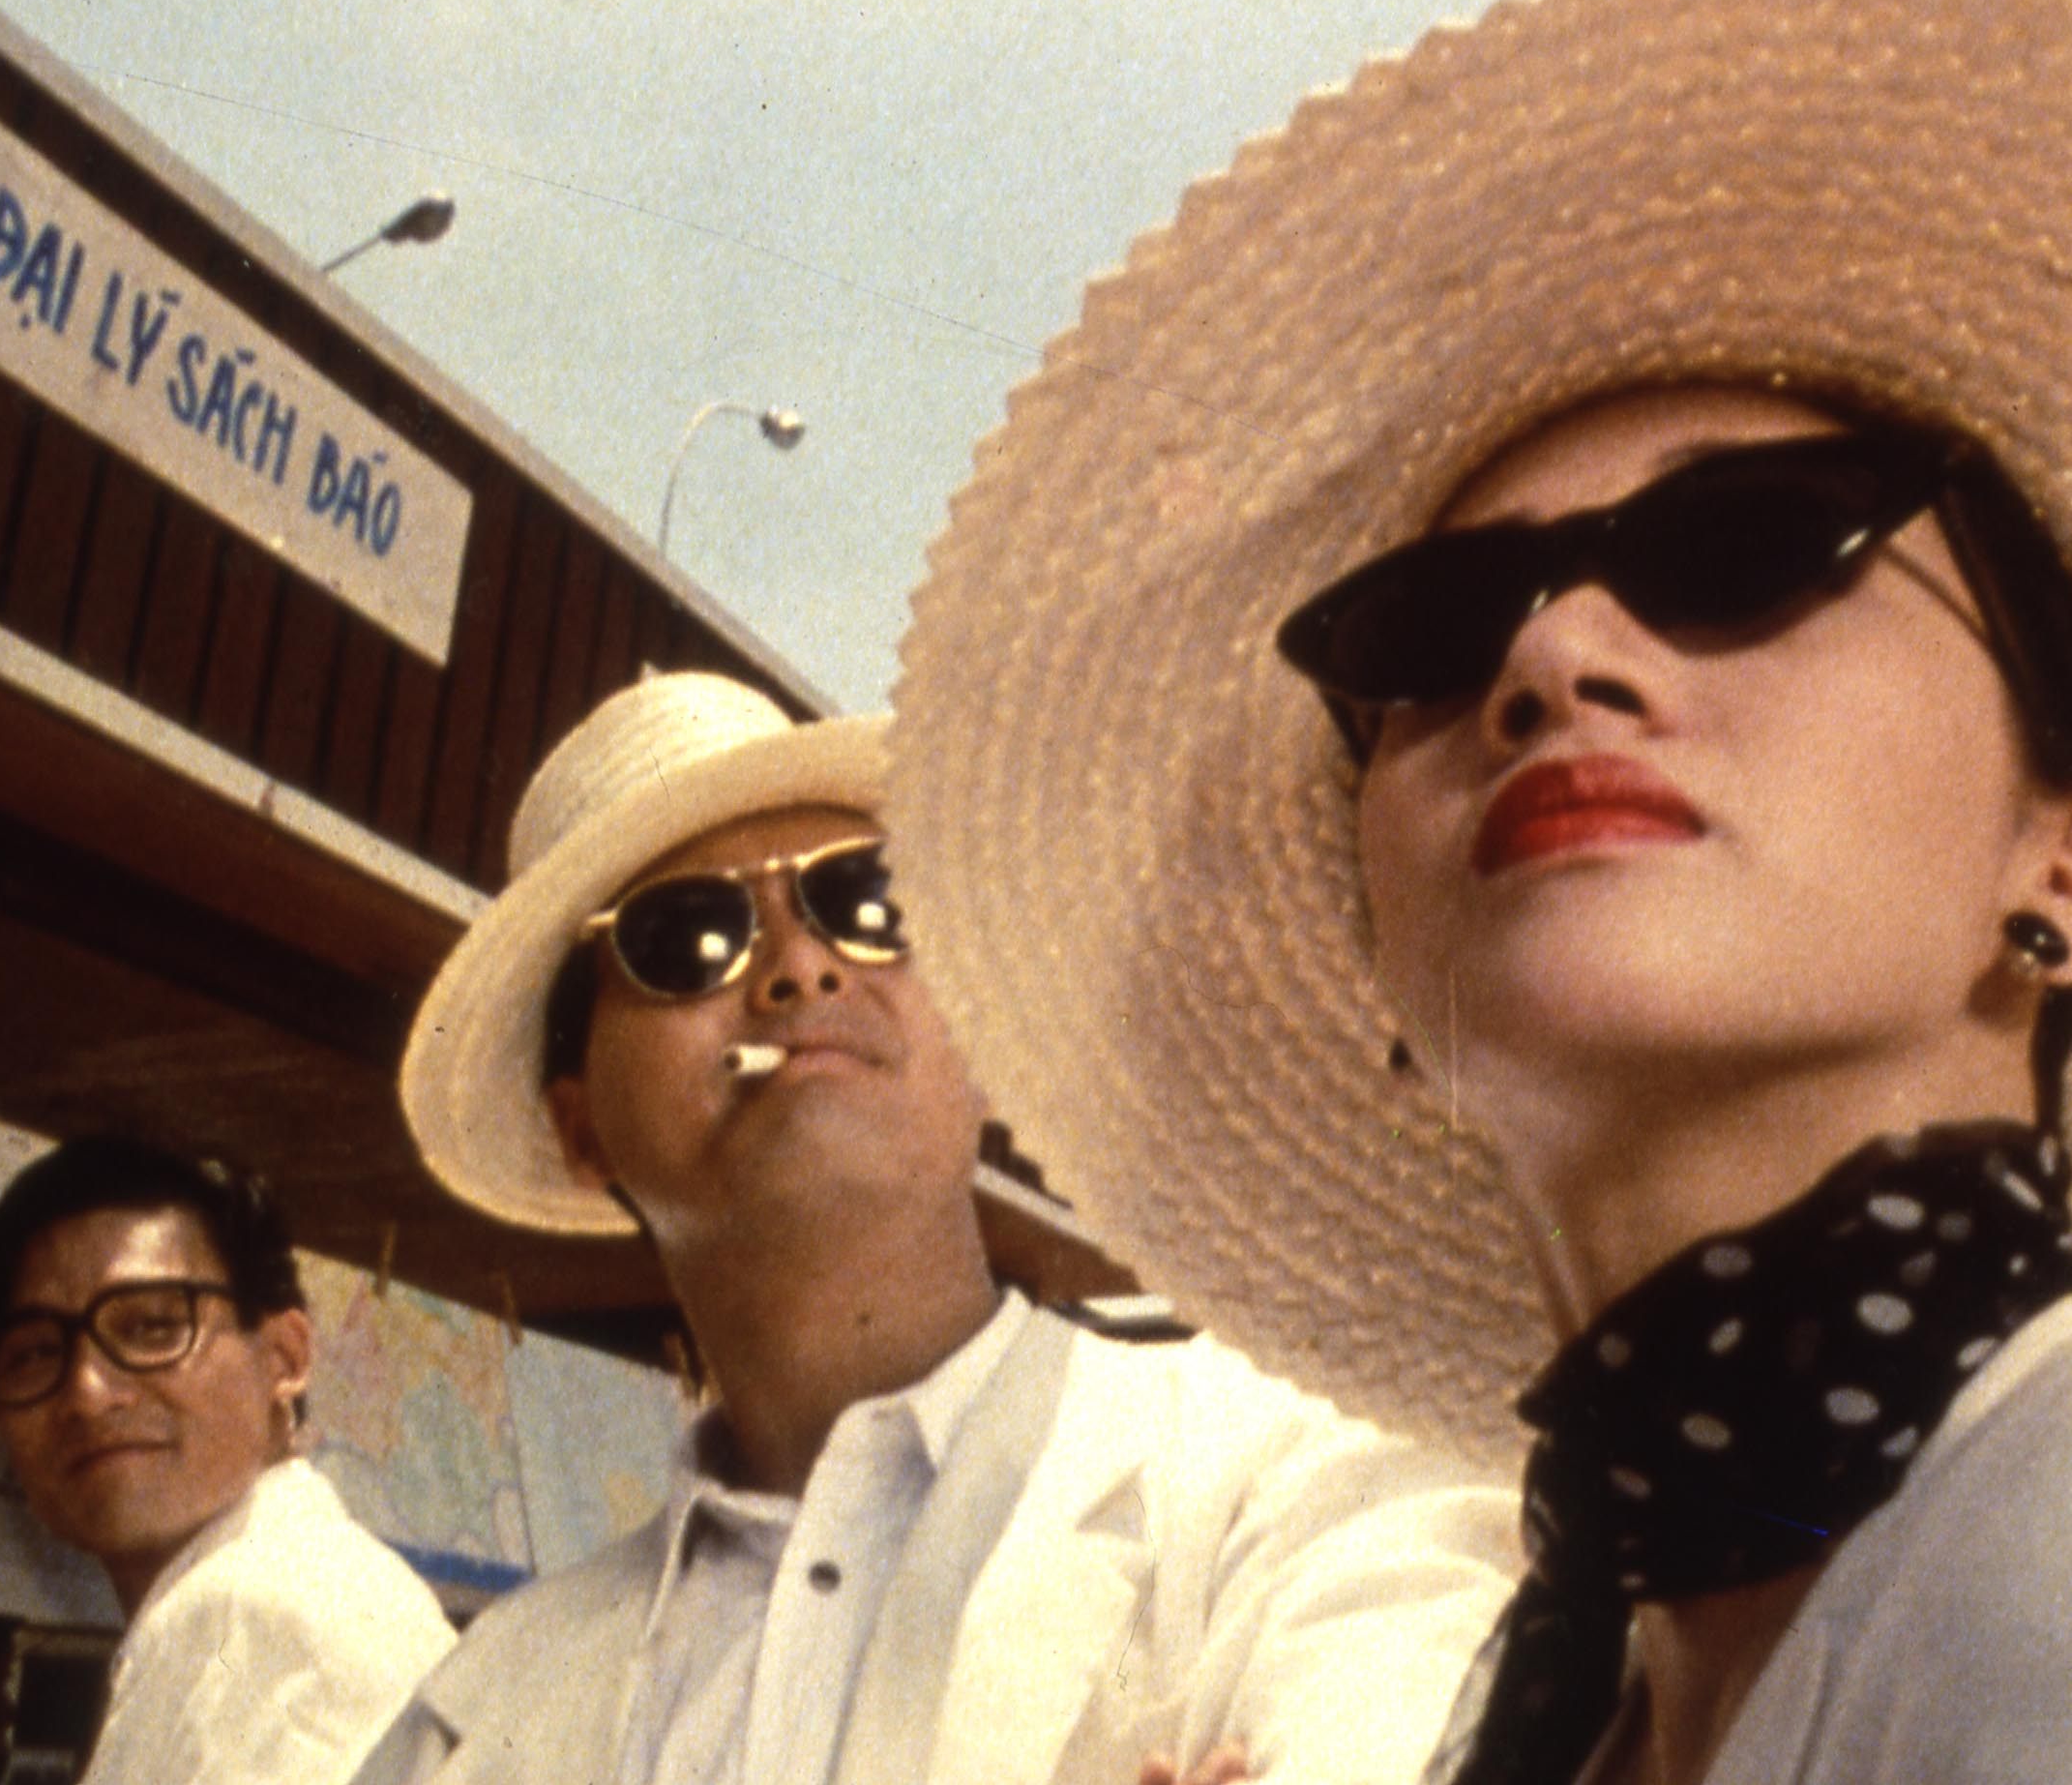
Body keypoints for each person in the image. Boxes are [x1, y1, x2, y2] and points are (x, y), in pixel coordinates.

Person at [887, 0, 2072, 1785]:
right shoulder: (1551, 1701)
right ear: (1384, 983)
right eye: (1436, 628)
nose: (1548, 661)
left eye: (1749, 548)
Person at [356, 668, 1517, 1785]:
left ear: (983, 1044)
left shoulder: (1298, 1471)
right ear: (582, 1131)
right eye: (683, 936)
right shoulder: (469, 1717)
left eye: (866, 903)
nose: (800, 966)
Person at [0, 1134, 456, 1785]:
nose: (87, 1393)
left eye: (153, 1327)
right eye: (36, 1353)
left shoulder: (262, 1612)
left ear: (285, 1357)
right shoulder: (273, 1591)